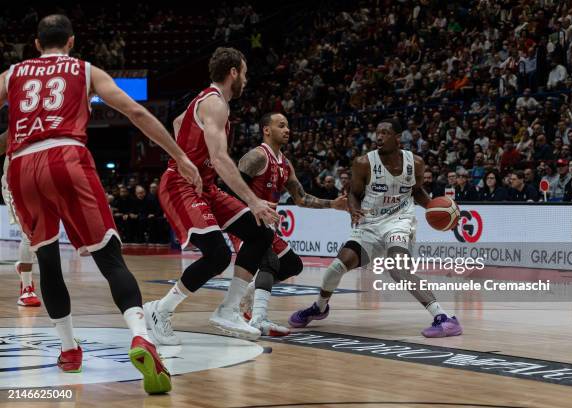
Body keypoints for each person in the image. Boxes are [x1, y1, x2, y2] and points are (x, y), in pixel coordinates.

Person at [0, 14, 202, 394]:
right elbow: (136, 112)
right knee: (109, 258)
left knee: (46, 260)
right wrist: (180, 156)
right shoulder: (85, 69)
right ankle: (142, 338)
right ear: (72, 41)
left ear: (36, 44)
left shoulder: (11, 74)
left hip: (22, 164)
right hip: (67, 155)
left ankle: (69, 349)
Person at [144, 47, 279, 345]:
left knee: (260, 233)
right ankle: (160, 311)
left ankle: (228, 310)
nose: (246, 78)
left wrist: (184, 155)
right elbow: (219, 158)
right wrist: (253, 201)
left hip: (204, 185)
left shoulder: (206, 102)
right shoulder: (215, 103)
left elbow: (179, 122)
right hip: (180, 185)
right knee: (217, 254)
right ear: (233, 73)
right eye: (244, 72)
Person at [289, 118, 462, 338]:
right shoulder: (363, 163)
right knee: (335, 268)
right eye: (377, 132)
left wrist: (435, 211)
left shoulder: (415, 163)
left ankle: (445, 318)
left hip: (400, 221)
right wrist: (353, 209)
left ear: (398, 138)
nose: (378, 137)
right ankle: (320, 307)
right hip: (370, 224)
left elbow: (416, 191)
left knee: (398, 269)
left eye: (385, 133)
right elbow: (353, 193)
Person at [229, 112, 347, 336]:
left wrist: (333, 204)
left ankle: (246, 297)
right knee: (269, 263)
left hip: (266, 226)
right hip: (246, 223)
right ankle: (258, 319)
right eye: (281, 125)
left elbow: (301, 198)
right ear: (266, 130)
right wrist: (253, 204)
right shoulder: (255, 157)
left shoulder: (285, 164)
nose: (287, 130)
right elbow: (230, 191)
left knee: (293, 265)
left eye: (287, 126)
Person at [1, 153, 41, 306]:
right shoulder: (15, 131)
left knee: (43, 236)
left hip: (41, 183)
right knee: (28, 234)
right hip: (15, 185)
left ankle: (23, 265)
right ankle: (26, 288)